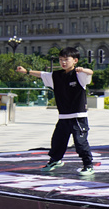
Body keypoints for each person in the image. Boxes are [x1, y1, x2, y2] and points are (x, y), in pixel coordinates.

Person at [16, 47, 95, 176]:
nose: (63, 62)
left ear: (75, 60)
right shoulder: (56, 76)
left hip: (78, 117)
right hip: (63, 117)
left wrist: (83, 69)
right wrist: (26, 71)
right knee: (57, 141)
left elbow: (90, 72)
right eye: (60, 60)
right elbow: (42, 74)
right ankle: (55, 160)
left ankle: (88, 165)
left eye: (66, 60)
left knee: (80, 143)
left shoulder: (79, 75)